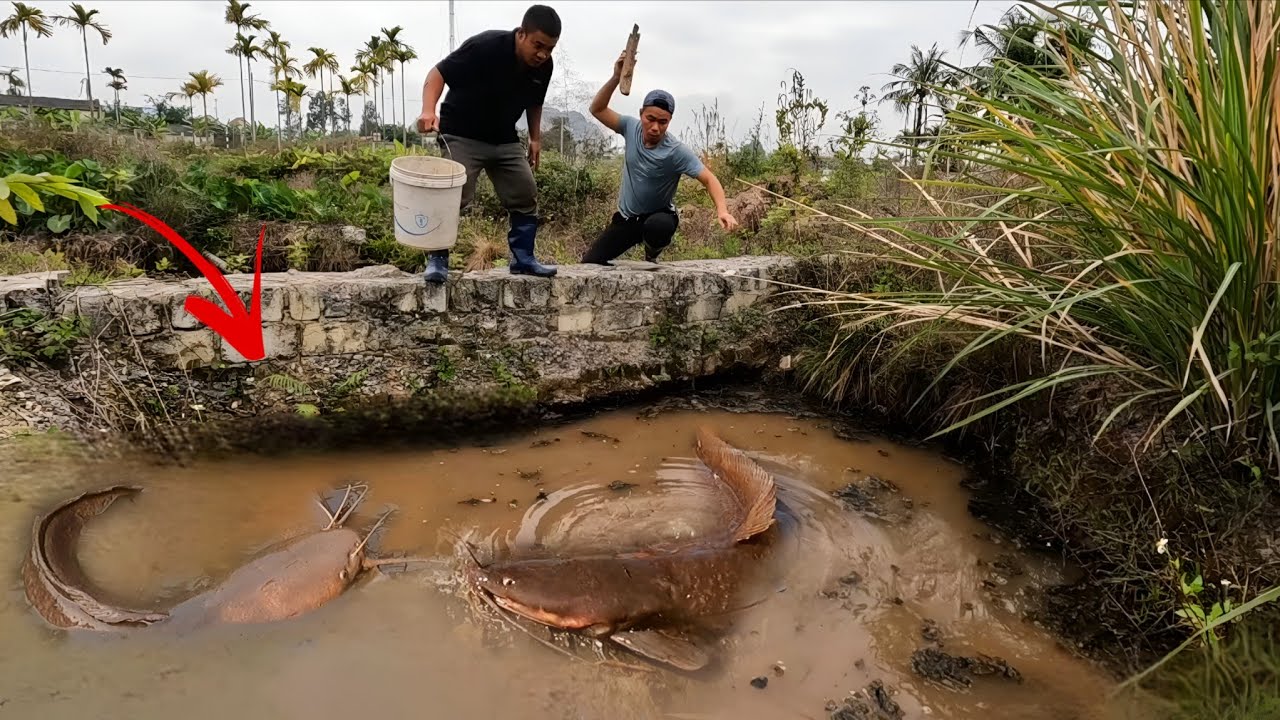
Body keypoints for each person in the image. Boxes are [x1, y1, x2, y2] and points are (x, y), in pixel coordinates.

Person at [415, 4, 561, 283]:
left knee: (525, 191)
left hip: (503, 137)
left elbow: (535, 101)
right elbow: (438, 74)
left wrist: (535, 138)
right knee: (454, 194)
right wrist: (428, 110)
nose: (543, 54)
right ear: (521, 34)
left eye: (550, 48)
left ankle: (522, 259)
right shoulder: (486, 46)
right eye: (538, 45)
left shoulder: (544, 67)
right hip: (462, 133)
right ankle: (438, 260)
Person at [582, 52, 739, 266]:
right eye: (651, 119)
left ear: (669, 121)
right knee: (590, 263)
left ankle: (652, 251)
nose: (655, 127)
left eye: (663, 122)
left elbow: (709, 179)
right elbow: (597, 109)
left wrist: (722, 210)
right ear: (641, 114)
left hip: (658, 217)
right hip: (627, 219)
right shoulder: (630, 127)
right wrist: (615, 78)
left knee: (659, 226)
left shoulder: (676, 151)